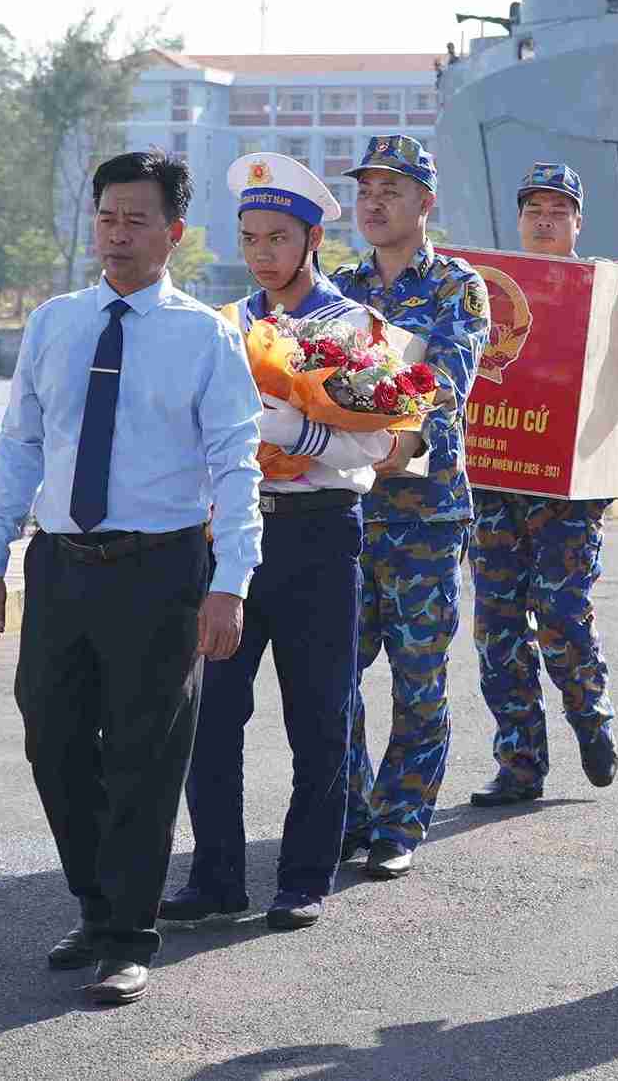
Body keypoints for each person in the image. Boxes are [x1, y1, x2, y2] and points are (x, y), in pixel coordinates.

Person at [0, 151, 262, 1007]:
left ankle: (131, 934)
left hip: (161, 570)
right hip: (60, 566)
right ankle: (96, 907)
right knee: (52, 742)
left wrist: (230, 580)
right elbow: (19, 443)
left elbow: (236, 465)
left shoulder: (205, 336)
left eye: (137, 220)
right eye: (107, 217)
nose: (119, 234)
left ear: (173, 233)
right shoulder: (55, 322)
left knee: (144, 752)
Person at [160, 153, 394, 933]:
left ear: (311, 239)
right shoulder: (226, 325)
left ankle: (303, 877)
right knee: (213, 716)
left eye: (278, 237)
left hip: (320, 534)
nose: (262, 252)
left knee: (320, 716)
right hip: (234, 537)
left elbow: (374, 448)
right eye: (251, 237)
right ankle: (217, 876)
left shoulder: (354, 329)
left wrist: (296, 428)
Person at [466, 163, 618, 808]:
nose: (543, 220)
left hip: (568, 492)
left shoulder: (609, 284)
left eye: (557, 211)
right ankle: (520, 762)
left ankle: (591, 719)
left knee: (562, 614)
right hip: (496, 487)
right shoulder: (483, 284)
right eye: (534, 208)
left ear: (577, 222)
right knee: (498, 626)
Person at [329, 134, 490, 880]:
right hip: (344, 508)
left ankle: (400, 821)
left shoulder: (459, 286)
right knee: (334, 670)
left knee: (417, 676)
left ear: (425, 202)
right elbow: (308, 371)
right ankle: (351, 812)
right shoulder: (335, 286)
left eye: (390, 190)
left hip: (424, 508)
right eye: (365, 189)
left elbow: (446, 380)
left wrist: (394, 422)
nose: (373, 201)